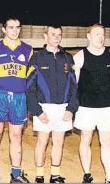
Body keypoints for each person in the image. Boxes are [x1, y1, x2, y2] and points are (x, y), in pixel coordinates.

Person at [26, 25, 79, 183]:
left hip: (63, 108)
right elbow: (29, 87)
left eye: (59, 35)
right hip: (44, 108)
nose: (56, 37)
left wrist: (71, 108)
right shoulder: (37, 58)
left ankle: (55, 175)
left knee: (59, 142)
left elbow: (75, 86)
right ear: (45, 36)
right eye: (53, 34)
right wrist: (37, 111)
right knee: (42, 141)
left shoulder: (68, 58)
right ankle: (39, 175)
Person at [73, 23, 110, 183]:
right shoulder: (79, 57)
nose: (101, 38)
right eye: (97, 34)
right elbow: (75, 84)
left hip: (106, 107)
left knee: (106, 142)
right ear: (88, 36)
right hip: (86, 107)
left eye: (102, 34)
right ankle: (87, 174)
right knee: (85, 139)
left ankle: (109, 178)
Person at [0, 18, 33, 183]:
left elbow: (31, 77)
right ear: (4, 29)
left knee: (16, 136)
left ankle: (16, 174)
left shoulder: (28, 49)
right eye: (11, 27)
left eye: (17, 27)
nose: (14, 30)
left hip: (19, 97)